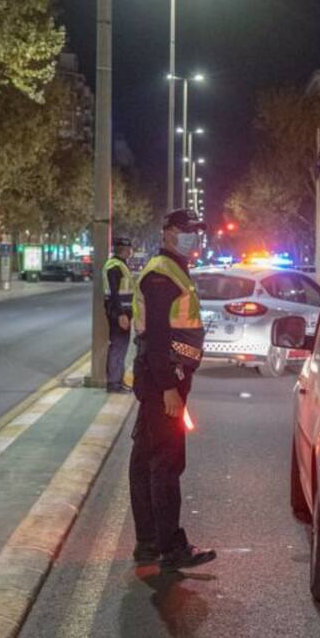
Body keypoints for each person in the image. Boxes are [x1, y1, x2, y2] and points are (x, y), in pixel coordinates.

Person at [129, 209, 216, 570]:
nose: (191, 236)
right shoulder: (162, 275)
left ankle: (149, 542)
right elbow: (158, 336)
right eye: (184, 229)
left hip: (160, 378)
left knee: (144, 459)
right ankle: (171, 547)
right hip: (163, 380)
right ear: (166, 232)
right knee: (167, 462)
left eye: (195, 230)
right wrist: (168, 388)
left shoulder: (173, 269)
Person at [102, 237, 134, 393]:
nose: (131, 252)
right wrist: (121, 314)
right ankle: (114, 383)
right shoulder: (115, 267)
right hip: (119, 313)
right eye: (129, 249)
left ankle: (117, 381)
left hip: (122, 311)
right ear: (125, 250)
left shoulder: (120, 265)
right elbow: (114, 293)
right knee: (118, 347)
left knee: (120, 347)